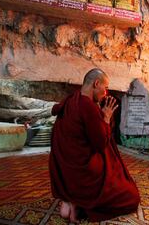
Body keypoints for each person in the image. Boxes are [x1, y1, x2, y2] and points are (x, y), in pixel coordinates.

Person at [49, 68, 140, 222]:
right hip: (83, 172)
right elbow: (100, 144)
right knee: (131, 196)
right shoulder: (87, 106)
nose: (106, 93)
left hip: (65, 169)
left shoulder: (72, 99)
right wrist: (106, 117)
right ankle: (81, 203)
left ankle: (69, 200)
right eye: (105, 88)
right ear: (96, 84)